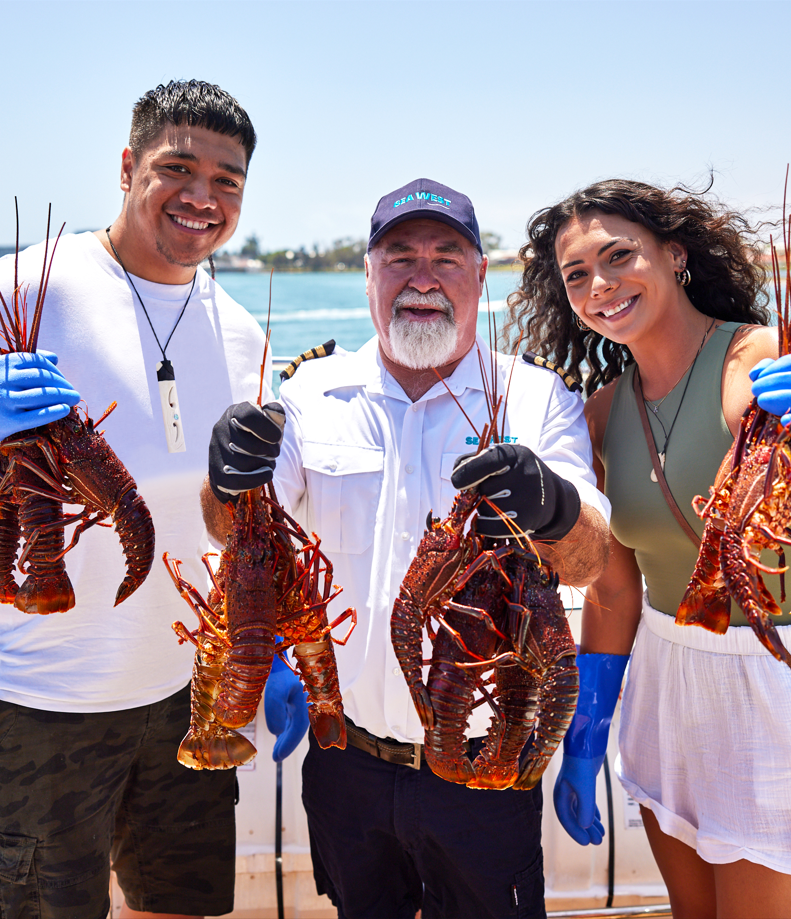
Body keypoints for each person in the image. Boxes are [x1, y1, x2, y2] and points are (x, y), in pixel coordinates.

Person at [0, 80, 267, 919]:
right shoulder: (22, 287)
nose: (202, 196)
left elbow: (227, 517)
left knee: (182, 908)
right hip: (39, 701)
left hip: (186, 692)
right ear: (126, 166)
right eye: (177, 167)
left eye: (227, 180)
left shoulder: (238, 327)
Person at [200, 178, 612, 919]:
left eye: (447, 257)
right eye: (400, 256)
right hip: (345, 758)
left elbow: (588, 559)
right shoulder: (311, 393)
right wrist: (226, 475)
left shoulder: (538, 396)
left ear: (481, 275)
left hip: (490, 759)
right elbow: (234, 529)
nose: (422, 277)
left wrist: (550, 505)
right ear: (368, 274)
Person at [506, 179, 791, 919]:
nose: (600, 286)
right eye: (577, 274)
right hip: (667, 686)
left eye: (620, 256)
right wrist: (587, 734)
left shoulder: (764, 358)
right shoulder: (603, 410)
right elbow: (615, 592)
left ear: (675, 255)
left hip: (780, 684)